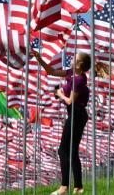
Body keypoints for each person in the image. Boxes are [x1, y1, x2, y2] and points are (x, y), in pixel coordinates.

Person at [33, 52, 92, 195]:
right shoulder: (71, 73)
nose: (71, 59)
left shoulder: (79, 79)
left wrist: (59, 94)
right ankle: (78, 187)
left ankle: (64, 187)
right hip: (76, 114)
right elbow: (51, 71)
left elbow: (70, 101)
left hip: (77, 115)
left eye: (74, 59)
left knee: (63, 150)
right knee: (72, 151)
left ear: (79, 64)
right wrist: (39, 58)